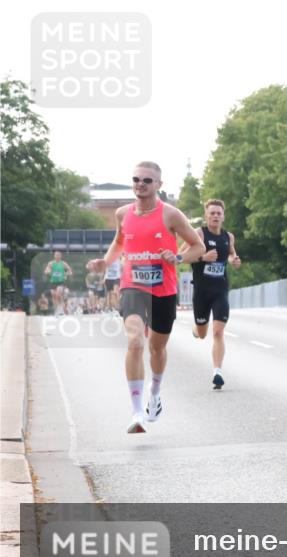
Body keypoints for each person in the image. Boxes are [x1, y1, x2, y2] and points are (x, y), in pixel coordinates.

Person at [89, 161, 205, 433]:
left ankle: (155, 391)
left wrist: (177, 257)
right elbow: (120, 242)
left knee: (156, 347)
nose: (140, 184)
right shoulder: (122, 213)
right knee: (134, 341)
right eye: (136, 179)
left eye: (147, 181)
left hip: (163, 289)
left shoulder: (171, 215)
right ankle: (137, 411)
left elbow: (198, 246)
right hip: (133, 286)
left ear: (159, 185)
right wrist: (106, 263)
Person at [186, 199, 241, 389]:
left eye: (219, 213)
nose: (216, 216)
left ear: (223, 216)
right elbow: (181, 256)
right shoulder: (198, 234)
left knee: (218, 332)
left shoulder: (229, 237)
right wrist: (202, 257)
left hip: (220, 290)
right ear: (206, 216)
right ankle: (196, 328)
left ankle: (217, 371)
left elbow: (231, 253)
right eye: (212, 213)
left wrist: (234, 259)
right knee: (202, 334)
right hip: (201, 291)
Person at [43, 251, 73, 315]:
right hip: (53, 282)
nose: (57, 256)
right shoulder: (51, 263)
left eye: (58, 255)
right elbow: (46, 270)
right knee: (54, 296)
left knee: (58, 292)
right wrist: (47, 271)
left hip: (61, 282)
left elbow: (70, 271)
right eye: (56, 255)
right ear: (54, 256)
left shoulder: (63, 263)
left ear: (60, 256)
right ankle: (57, 309)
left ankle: (61, 308)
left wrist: (66, 274)